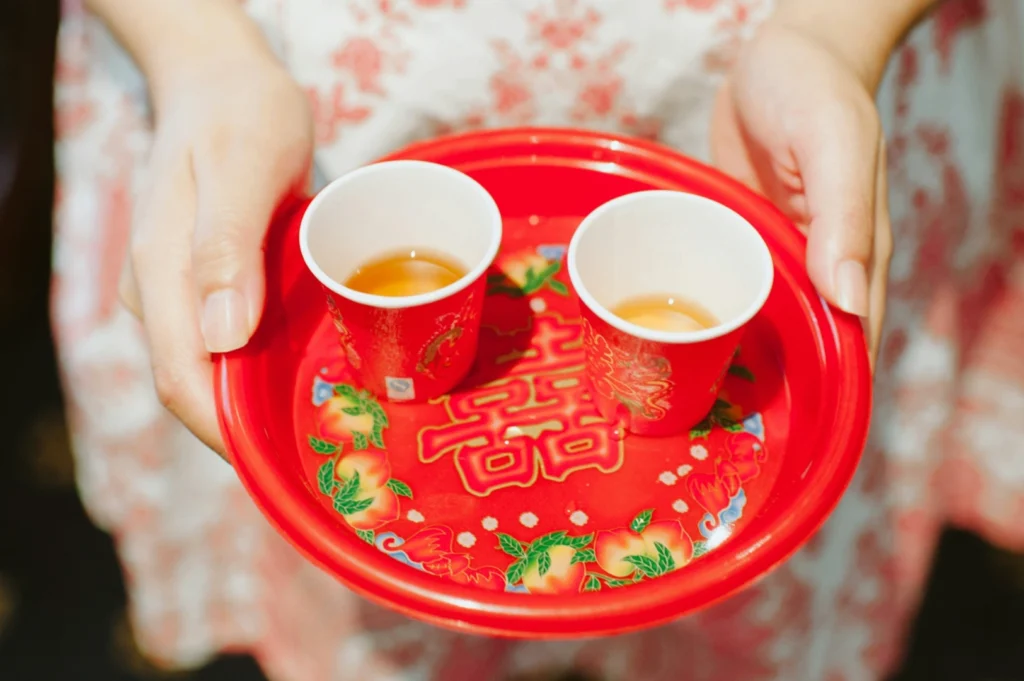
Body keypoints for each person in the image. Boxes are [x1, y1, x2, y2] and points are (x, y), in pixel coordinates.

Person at [53, 0, 1024, 679]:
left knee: (731, 589)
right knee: (380, 591)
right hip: (294, 85)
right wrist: (198, 51)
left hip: (785, 89)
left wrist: (833, 30)